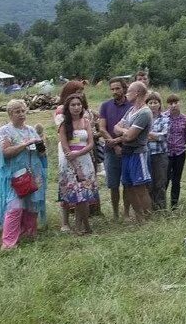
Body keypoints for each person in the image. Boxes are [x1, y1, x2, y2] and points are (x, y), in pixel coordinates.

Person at [0, 99, 48, 250]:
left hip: (33, 173)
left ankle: (28, 234)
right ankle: (9, 242)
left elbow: (42, 152)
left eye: (23, 111)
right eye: (17, 111)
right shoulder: (5, 130)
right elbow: (5, 152)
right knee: (15, 206)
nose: (21, 114)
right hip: (15, 175)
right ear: (10, 114)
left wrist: (41, 146)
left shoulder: (31, 130)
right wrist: (24, 145)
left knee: (32, 205)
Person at [57, 94, 99, 235]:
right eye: (73, 105)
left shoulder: (86, 122)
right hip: (70, 164)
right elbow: (65, 148)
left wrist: (79, 153)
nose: (76, 107)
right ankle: (84, 227)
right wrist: (76, 166)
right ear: (68, 108)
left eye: (78, 105)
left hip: (85, 160)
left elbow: (91, 143)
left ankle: (81, 225)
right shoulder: (64, 125)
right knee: (77, 196)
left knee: (85, 196)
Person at [112, 81, 153, 223]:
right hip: (126, 153)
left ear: (137, 93)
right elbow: (116, 128)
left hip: (138, 153)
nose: (126, 93)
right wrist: (125, 131)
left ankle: (147, 218)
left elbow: (130, 136)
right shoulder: (131, 110)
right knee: (128, 186)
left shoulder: (145, 112)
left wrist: (124, 133)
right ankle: (139, 218)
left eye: (129, 91)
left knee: (140, 187)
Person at [54, 80, 90, 231]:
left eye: (81, 91)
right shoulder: (60, 112)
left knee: (83, 187)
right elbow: (64, 135)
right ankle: (65, 221)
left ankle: (81, 221)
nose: (80, 94)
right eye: (77, 91)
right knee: (67, 184)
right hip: (67, 151)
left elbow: (89, 134)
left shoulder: (85, 112)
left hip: (84, 152)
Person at [98, 78, 133, 219]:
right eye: (112, 89)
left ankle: (126, 213)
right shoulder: (105, 106)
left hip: (128, 149)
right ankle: (115, 213)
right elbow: (101, 128)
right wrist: (114, 144)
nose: (115, 91)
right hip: (110, 151)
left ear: (124, 89)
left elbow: (132, 129)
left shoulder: (131, 106)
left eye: (117, 88)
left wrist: (121, 144)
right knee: (113, 184)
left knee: (127, 183)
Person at [164, 94, 186, 209]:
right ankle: (161, 204)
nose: (174, 106)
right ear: (168, 105)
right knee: (165, 179)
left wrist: (180, 144)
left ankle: (174, 205)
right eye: (171, 103)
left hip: (180, 152)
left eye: (176, 103)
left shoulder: (184, 119)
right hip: (166, 153)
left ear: (180, 103)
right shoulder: (164, 117)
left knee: (176, 179)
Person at [145, 92, 170, 211]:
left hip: (160, 154)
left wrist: (148, 135)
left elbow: (164, 135)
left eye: (155, 102)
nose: (153, 105)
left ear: (160, 104)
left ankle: (161, 209)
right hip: (146, 154)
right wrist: (154, 136)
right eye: (150, 103)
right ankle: (150, 208)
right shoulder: (144, 118)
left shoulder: (165, 118)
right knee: (148, 183)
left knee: (160, 183)